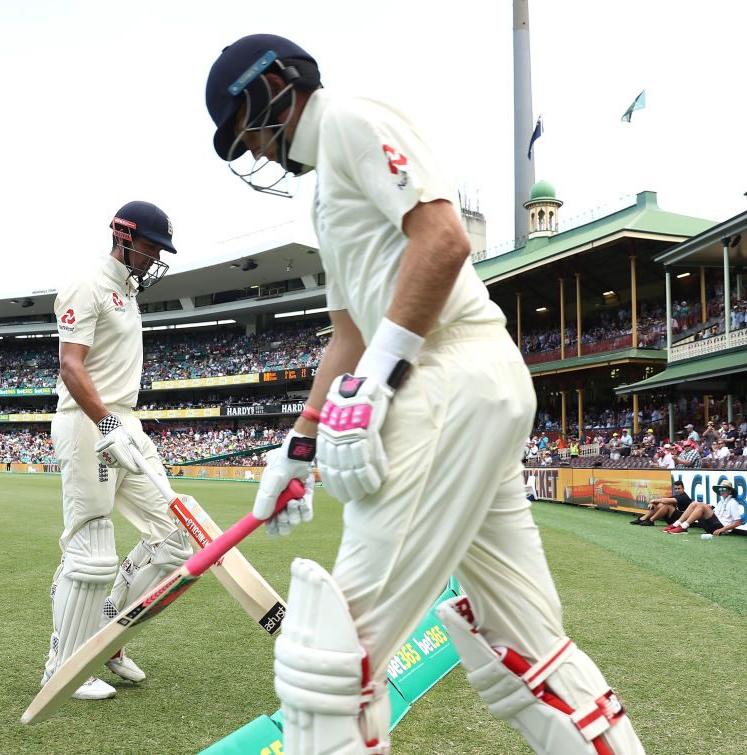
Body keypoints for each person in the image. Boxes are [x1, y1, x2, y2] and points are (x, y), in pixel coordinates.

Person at [204, 34, 643, 754]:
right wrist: (299, 441)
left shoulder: (348, 117)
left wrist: (378, 379)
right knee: (528, 654)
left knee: (331, 665)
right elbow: (348, 335)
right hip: (466, 387)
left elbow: (442, 240)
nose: (255, 146)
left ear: (276, 83)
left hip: (445, 378)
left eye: (246, 124)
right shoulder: (323, 199)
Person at [42, 201, 193, 700]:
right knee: (90, 553)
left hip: (126, 423)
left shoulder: (127, 294)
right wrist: (105, 424)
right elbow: (71, 366)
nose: (154, 257)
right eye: (150, 246)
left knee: (175, 540)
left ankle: (110, 635)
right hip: (89, 424)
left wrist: (120, 425)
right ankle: (61, 666)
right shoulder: (87, 285)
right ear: (125, 236)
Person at [663, 478, 745, 535]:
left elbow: (738, 522)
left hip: (720, 528)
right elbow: (716, 515)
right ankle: (677, 524)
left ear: (730, 491)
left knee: (701, 505)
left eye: (724, 489)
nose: (722, 491)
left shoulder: (733, 503)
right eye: (721, 489)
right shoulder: (721, 502)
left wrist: (722, 530)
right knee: (695, 503)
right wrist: (710, 509)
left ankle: (683, 527)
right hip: (713, 526)